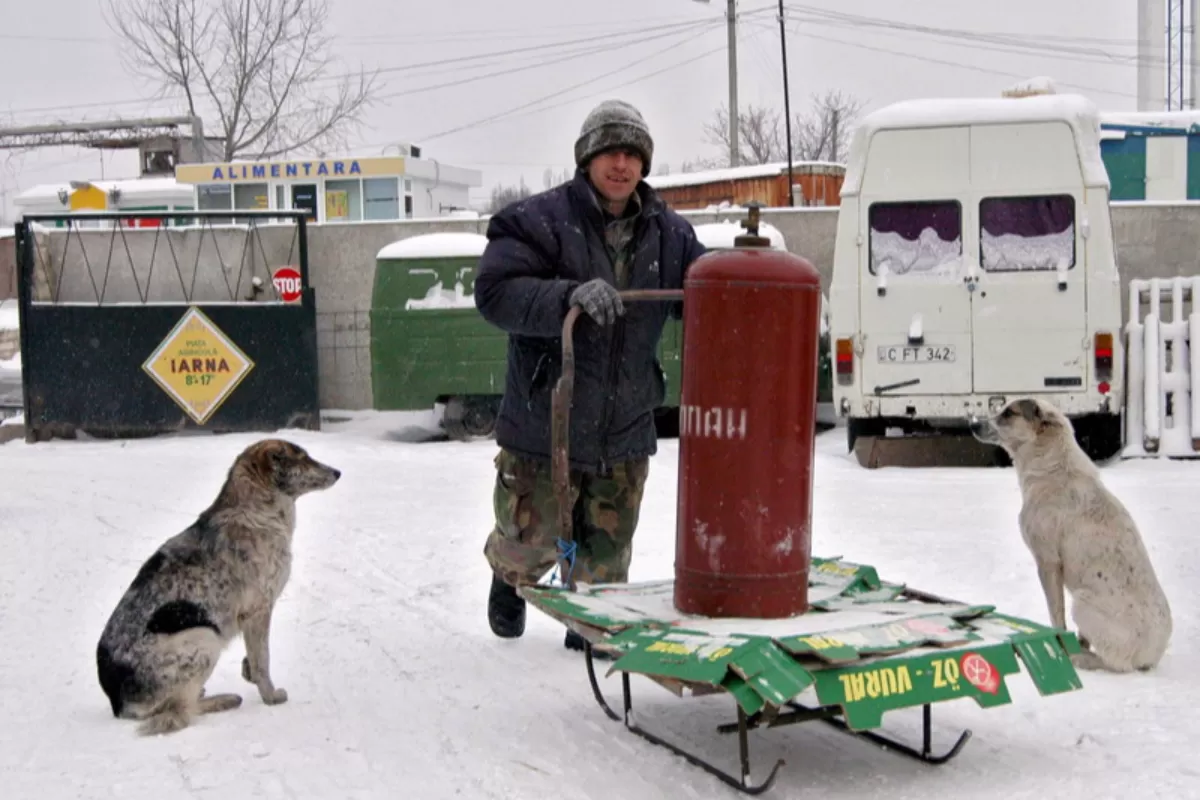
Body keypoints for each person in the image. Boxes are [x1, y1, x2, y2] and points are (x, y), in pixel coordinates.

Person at [473, 99, 707, 652]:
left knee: (605, 566)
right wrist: (565, 297)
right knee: (529, 542)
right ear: (586, 159)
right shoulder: (538, 220)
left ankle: (590, 617)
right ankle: (508, 578)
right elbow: (495, 292)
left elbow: (705, 290)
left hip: (623, 425)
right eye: (610, 153)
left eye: (632, 154)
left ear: (644, 164)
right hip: (545, 421)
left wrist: (745, 278)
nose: (621, 165)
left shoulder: (671, 236)